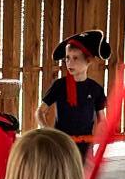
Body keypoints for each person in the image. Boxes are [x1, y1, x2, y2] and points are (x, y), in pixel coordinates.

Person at [38, 30, 109, 159]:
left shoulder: (96, 89)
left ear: (88, 60)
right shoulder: (59, 85)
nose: (69, 63)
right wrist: (47, 130)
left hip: (86, 148)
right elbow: (39, 112)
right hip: (61, 145)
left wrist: (104, 133)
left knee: (84, 172)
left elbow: (102, 120)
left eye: (75, 58)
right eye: (67, 58)